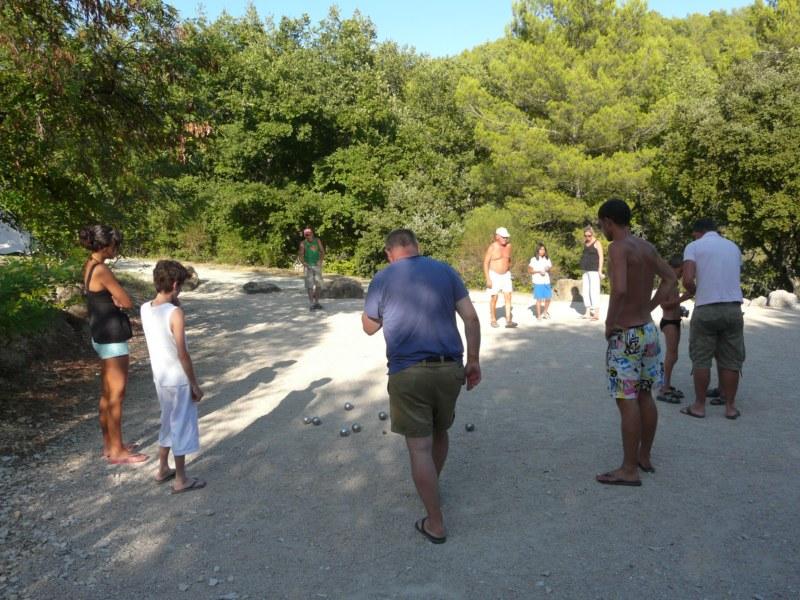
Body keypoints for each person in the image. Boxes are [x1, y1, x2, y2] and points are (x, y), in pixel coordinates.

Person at [362, 229, 481, 544]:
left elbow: (369, 327)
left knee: (419, 447)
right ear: (416, 247)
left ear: (390, 252)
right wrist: (474, 360)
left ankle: (435, 522)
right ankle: (432, 487)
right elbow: (471, 318)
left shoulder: (383, 277)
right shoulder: (444, 270)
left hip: (408, 372)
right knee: (439, 433)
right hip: (449, 368)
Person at [596, 199, 676, 486]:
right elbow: (669, 278)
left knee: (626, 399)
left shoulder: (618, 248)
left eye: (601, 224)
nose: (602, 229)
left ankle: (628, 470)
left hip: (627, 332)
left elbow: (619, 289)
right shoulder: (646, 247)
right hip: (648, 331)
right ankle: (644, 456)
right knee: (645, 395)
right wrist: (650, 307)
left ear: (608, 221)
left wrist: (609, 323)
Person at [80, 225, 147, 465]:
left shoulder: (89, 265)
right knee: (117, 395)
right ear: (105, 245)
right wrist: (118, 300)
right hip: (112, 338)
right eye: (115, 245)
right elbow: (126, 301)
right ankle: (118, 452)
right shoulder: (103, 270)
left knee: (107, 394)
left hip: (99, 334)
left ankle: (110, 445)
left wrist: (115, 300)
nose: (116, 249)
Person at [140, 260, 206, 494]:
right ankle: (181, 479)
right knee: (181, 424)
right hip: (178, 378)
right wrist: (194, 384)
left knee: (167, 420)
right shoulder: (175, 313)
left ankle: (162, 468)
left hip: (161, 376)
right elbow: (183, 353)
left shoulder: (145, 308)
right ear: (176, 284)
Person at [679, 219, 744, 420]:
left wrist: (696, 292)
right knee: (731, 359)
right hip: (733, 308)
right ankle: (730, 407)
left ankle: (699, 406)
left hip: (706, 308)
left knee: (701, 358)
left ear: (698, 232)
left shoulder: (694, 247)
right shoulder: (733, 247)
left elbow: (687, 279)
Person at [655, 257, 687, 403]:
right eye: (681, 271)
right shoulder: (667, 282)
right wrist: (683, 298)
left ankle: (666, 383)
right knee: (671, 354)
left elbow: (672, 304)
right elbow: (664, 305)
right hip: (668, 322)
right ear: (674, 268)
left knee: (674, 356)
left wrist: (680, 309)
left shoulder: (675, 284)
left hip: (675, 320)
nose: (682, 274)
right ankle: (664, 387)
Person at [483, 226, 517, 328]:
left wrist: (508, 268)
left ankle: (508, 320)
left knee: (508, 296)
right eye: (503, 237)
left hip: (506, 275)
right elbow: (485, 263)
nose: (505, 239)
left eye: (506, 237)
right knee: (494, 297)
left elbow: (508, 259)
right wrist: (488, 278)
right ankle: (493, 319)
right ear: (497, 236)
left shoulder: (509, 246)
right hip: (494, 275)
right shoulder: (492, 247)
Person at [580, 225, 604, 320]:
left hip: (594, 269)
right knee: (586, 290)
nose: (587, 237)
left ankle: (596, 313)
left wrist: (600, 270)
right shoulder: (585, 242)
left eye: (589, 235)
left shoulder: (597, 242)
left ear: (592, 234)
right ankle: (587, 312)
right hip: (585, 269)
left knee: (594, 290)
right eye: (586, 235)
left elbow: (601, 257)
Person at [298, 227, 325, 311]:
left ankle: (317, 302)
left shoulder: (317, 241)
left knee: (319, 285)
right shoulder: (303, 243)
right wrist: (304, 263)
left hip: (317, 266)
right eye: (306, 235)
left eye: (309, 234)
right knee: (309, 286)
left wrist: (320, 260)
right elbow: (300, 255)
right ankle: (311, 303)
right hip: (308, 267)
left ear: (312, 234)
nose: (307, 236)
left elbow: (322, 251)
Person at [528, 243, 553, 320]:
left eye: (543, 249)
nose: (542, 251)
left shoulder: (547, 258)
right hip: (538, 281)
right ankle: (538, 315)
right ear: (537, 250)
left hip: (546, 281)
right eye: (541, 249)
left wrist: (547, 268)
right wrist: (538, 271)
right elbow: (530, 271)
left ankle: (545, 313)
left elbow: (549, 267)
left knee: (548, 298)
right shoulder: (533, 259)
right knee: (539, 299)